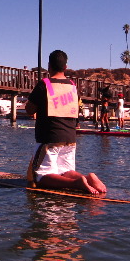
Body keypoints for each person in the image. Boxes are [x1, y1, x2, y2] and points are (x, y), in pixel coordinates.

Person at [24, 49, 106, 195]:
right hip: (70, 138)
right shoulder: (72, 86)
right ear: (65, 67)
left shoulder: (45, 84)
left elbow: (30, 109)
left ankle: (77, 183)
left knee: (39, 176)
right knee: (65, 171)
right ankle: (86, 178)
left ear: (49, 66)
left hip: (49, 139)